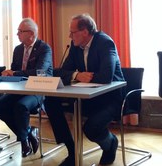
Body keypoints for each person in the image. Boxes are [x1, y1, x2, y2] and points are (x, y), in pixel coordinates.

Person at [44, 14, 125, 166]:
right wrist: (77, 75)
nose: (69, 35)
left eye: (72, 32)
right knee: (50, 101)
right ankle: (72, 151)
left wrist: (84, 77)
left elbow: (106, 76)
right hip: (86, 96)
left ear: (85, 32)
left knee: (91, 128)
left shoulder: (105, 43)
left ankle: (110, 143)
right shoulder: (75, 46)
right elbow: (60, 71)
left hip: (110, 98)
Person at [0, 18, 53, 157]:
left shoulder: (44, 48)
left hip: (39, 89)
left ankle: (24, 142)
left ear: (31, 34)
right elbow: (15, 70)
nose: (17, 34)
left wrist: (14, 72)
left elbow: (39, 71)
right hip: (19, 89)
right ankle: (28, 133)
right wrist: (9, 73)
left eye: (20, 31)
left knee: (20, 106)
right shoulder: (18, 49)